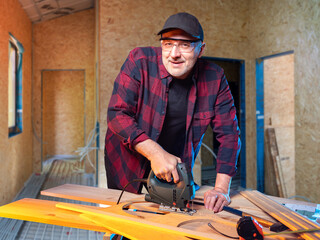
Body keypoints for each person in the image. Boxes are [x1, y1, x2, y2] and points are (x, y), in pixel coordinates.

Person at [105, 12, 241, 213]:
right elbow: (117, 114)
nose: (174, 53)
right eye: (168, 43)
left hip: (174, 165)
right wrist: (155, 153)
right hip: (127, 160)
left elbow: (229, 135)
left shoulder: (215, 77)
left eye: (185, 45)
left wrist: (221, 189)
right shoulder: (139, 61)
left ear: (200, 49)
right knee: (123, 218)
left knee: (169, 218)